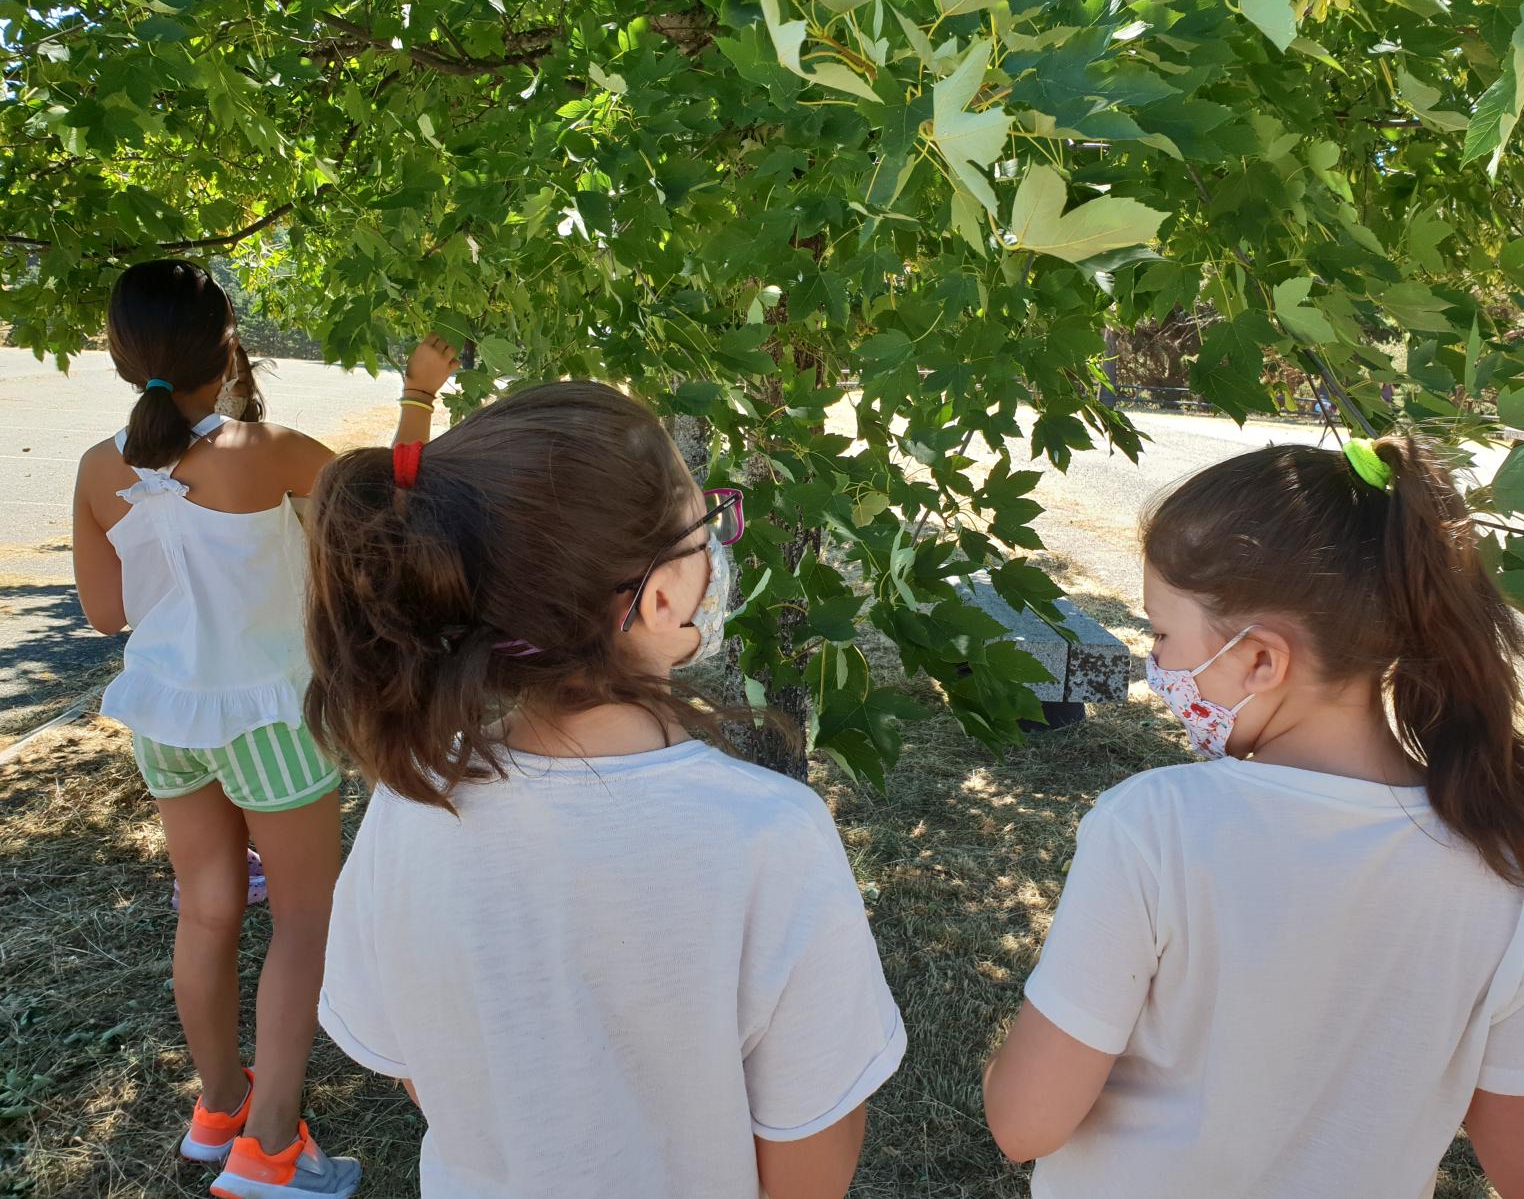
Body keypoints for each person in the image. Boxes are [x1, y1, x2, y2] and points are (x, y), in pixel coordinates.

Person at [982, 436, 1524, 1199]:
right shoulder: (1511, 869)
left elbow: (1025, 1122)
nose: (1158, 666)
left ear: (1262, 662)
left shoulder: (1151, 828)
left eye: (1161, 634)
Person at [306, 380, 905, 1199]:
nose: (719, 550)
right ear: (659, 595)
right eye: (709, 527)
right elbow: (812, 1163)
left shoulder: (410, 804)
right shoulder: (772, 837)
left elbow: (417, 1068)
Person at [70, 258, 460, 1199]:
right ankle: (274, 1150)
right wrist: (417, 393)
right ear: (228, 342)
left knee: (206, 909)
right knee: (304, 917)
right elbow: (393, 509)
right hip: (272, 721)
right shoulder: (273, 450)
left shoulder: (95, 466)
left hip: (165, 719)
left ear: (121, 355)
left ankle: (218, 1112)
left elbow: (103, 614)